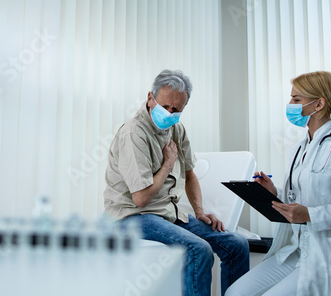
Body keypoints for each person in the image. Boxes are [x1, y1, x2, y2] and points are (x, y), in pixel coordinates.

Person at [226, 71, 331, 296]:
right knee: (235, 293)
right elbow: (298, 200)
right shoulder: (300, 148)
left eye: (296, 100)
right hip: (298, 249)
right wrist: (273, 192)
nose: (290, 104)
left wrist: (310, 215)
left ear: (319, 104)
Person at [104, 69, 249, 296]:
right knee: (199, 250)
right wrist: (168, 164)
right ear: (150, 98)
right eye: (165, 107)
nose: (170, 113)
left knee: (237, 245)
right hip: (132, 217)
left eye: (176, 110)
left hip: (166, 214)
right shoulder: (134, 133)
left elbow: (190, 174)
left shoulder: (176, 128)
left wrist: (200, 212)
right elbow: (140, 199)